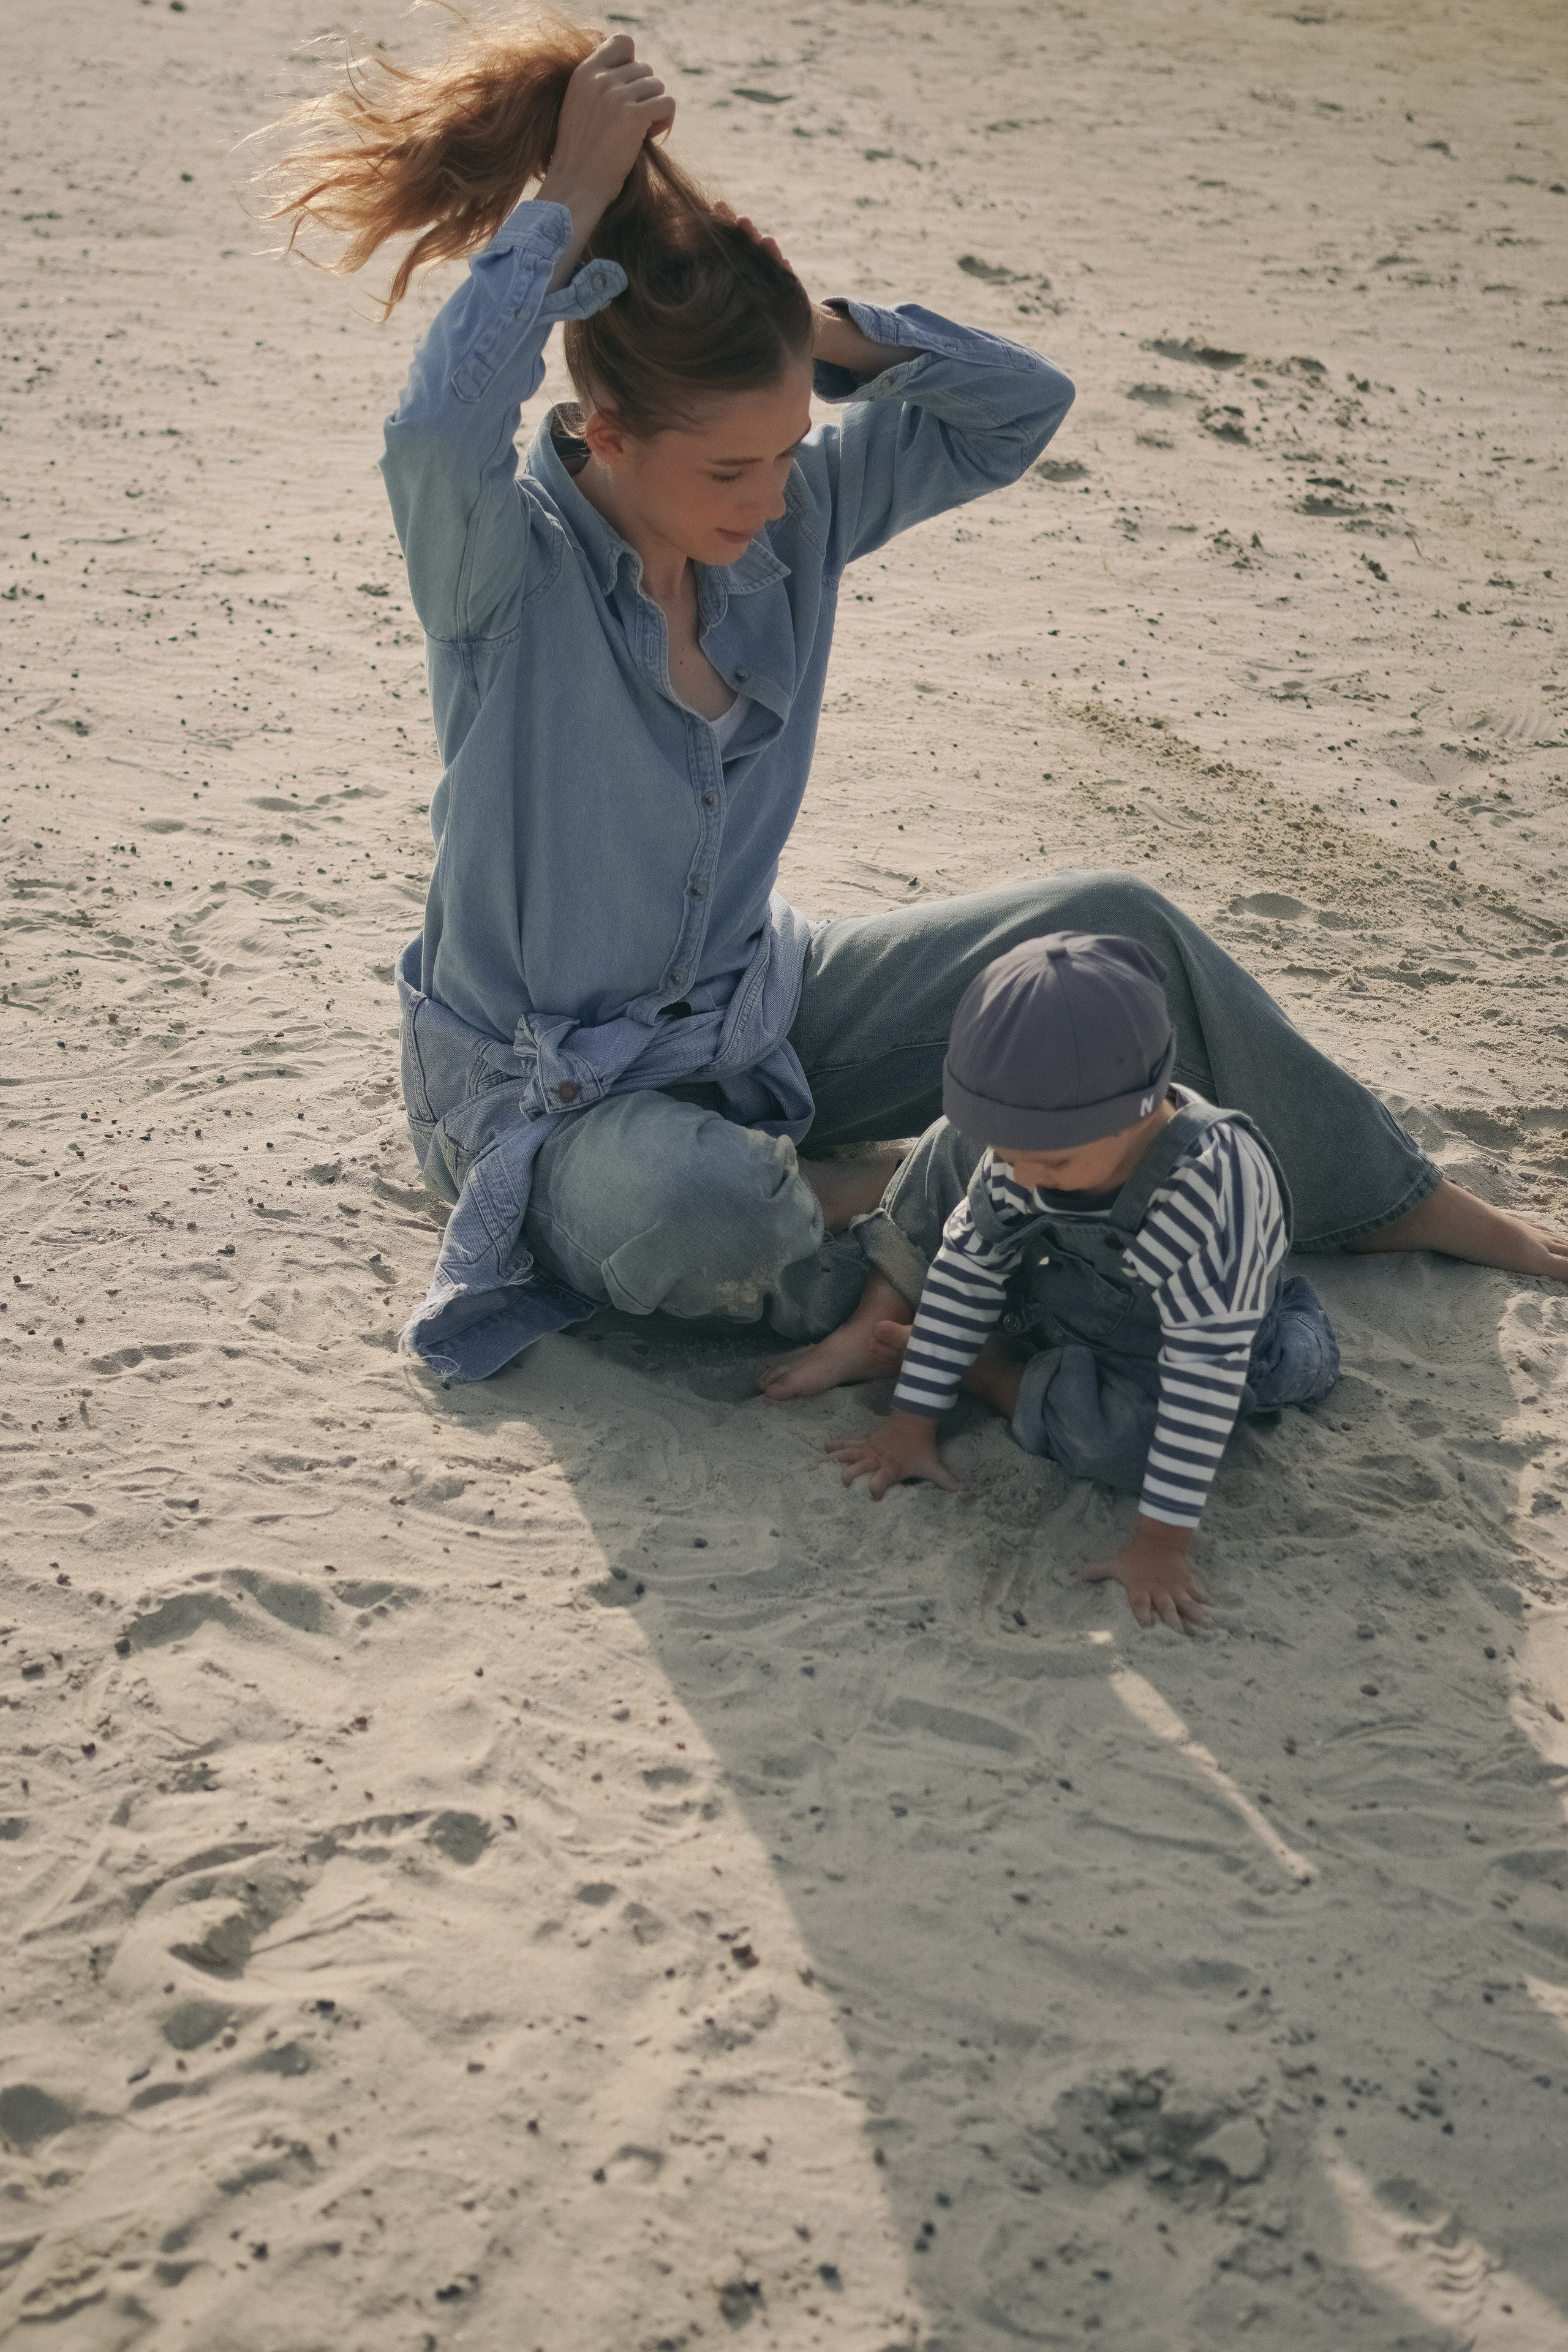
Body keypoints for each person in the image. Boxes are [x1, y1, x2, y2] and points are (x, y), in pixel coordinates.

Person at [263, 20, 1568, 1384]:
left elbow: (1016, 407)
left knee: (1111, 926)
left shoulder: (786, 520)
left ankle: (1378, 1199)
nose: (771, 501)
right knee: (688, 1210)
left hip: (758, 1013)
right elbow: (432, 431)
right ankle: (908, 1223)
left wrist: (808, 334)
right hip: (558, 1101)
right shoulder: (499, 575)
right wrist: (568, 203)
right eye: (726, 473)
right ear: (607, 436)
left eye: (785, 452)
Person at [802, 933, 1341, 1632]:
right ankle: (969, 1350)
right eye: (1009, 1153)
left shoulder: (1210, 1196)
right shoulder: (1037, 1147)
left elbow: (1202, 1382)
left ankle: (993, 1375)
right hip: (1060, 1295)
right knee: (959, 1180)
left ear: (1141, 1112)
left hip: (1192, 1343)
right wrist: (911, 1426)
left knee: (1154, 1435)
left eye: (1048, 1164)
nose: (1021, 1176)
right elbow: (968, 1268)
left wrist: (1159, 1545)